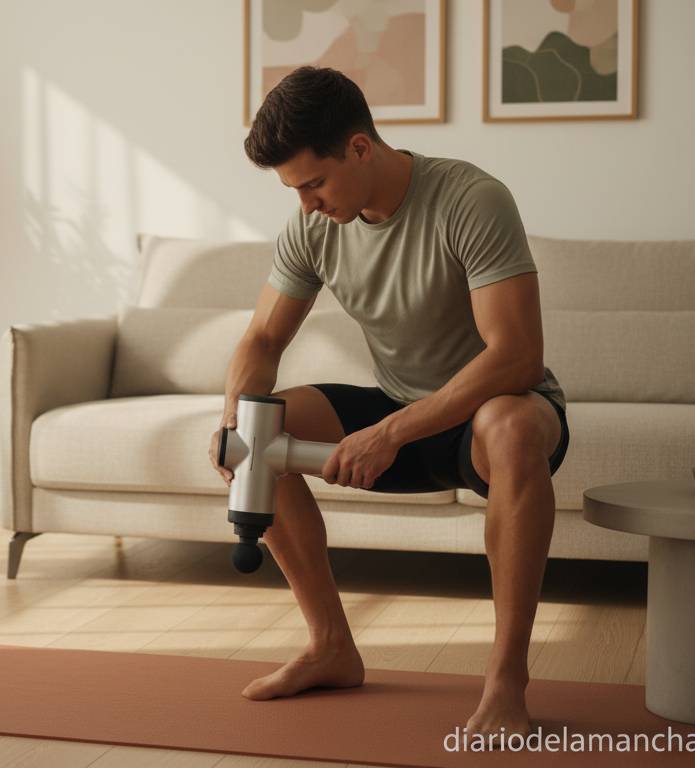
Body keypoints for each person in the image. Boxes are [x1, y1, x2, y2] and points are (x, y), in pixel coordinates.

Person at [208, 66, 569, 739]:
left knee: (513, 424)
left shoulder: (470, 198)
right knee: (264, 427)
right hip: (400, 405)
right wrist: (237, 416)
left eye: (313, 183)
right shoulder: (312, 227)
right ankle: (330, 647)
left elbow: (515, 355)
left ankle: (506, 680)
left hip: (494, 414)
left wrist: (392, 433)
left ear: (360, 148)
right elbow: (261, 336)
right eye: (294, 192)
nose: (307, 205)